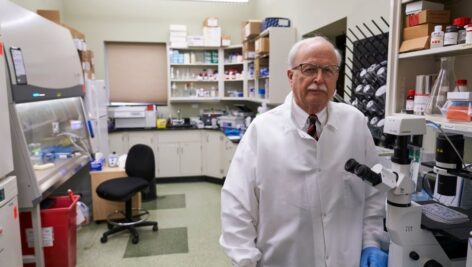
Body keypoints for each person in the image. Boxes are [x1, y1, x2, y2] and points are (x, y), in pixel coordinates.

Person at [219, 36, 389, 267]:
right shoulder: (262, 130)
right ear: (291, 76)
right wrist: (245, 261)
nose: (319, 79)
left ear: (336, 78)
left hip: (345, 259)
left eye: (328, 70)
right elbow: (237, 206)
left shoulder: (355, 123)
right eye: (309, 69)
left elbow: (374, 192)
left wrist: (371, 242)